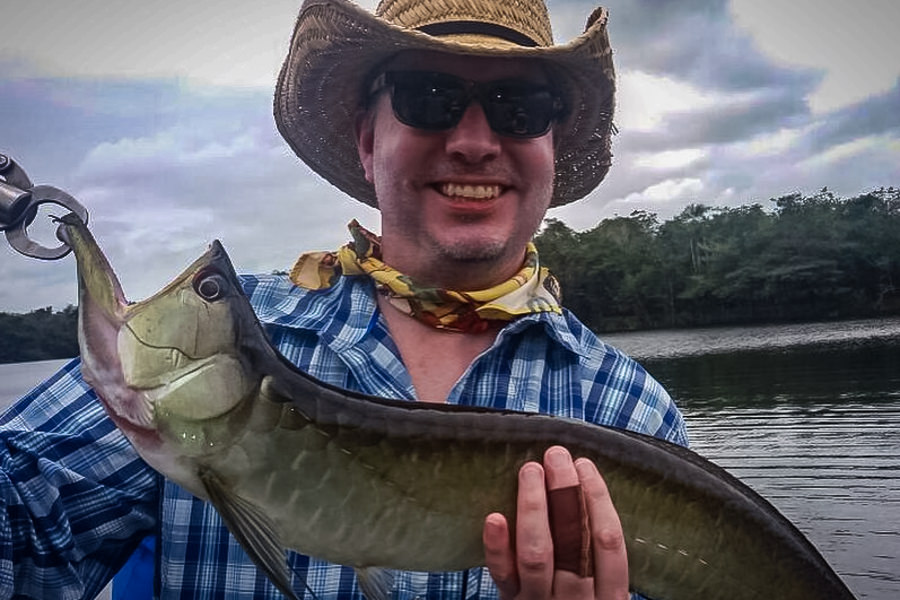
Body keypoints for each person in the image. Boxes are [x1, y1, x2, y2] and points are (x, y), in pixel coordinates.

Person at [0, 0, 688, 598]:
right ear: (368, 140)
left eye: (521, 107)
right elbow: (21, 524)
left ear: (550, 141)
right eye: (429, 96)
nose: (475, 142)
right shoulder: (220, 350)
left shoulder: (632, 414)